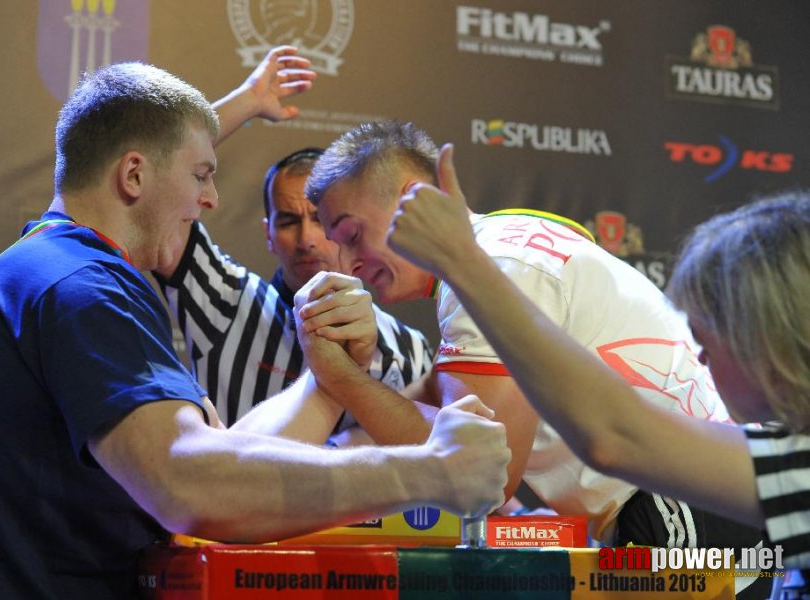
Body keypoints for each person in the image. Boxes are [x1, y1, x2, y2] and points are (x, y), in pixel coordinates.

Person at [0, 61, 511, 597]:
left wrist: (328, 379)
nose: (209, 198)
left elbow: (219, 457)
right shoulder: (78, 285)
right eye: (202, 174)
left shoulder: (54, 270)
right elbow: (189, 481)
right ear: (134, 174)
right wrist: (433, 469)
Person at [300, 120, 770, 596]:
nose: (346, 262)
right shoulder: (507, 244)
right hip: (705, 496)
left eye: (353, 235)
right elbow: (435, 419)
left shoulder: (494, 267)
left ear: (415, 198)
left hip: (685, 502)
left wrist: (339, 376)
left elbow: (483, 469)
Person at [388, 180, 810, 584]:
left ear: (771, 336)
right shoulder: (785, 460)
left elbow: (612, 435)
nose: (699, 357)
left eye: (709, 339)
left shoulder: (796, 466)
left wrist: (463, 262)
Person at [155, 146, 432, 428]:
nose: (306, 240)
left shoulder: (411, 349)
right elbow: (157, 188)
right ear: (269, 235)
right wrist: (246, 103)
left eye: (319, 220)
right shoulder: (224, 299)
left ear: (349, 227)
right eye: (288, 221)